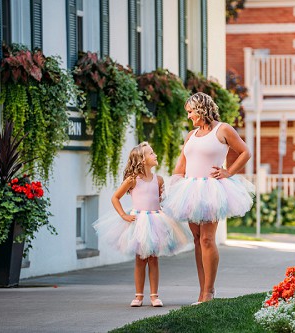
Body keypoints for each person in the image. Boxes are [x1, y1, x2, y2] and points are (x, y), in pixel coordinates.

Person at [162, 92, 254, 304]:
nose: (189, 116)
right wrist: (170, 188)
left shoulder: (223, 130)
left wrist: (228, 172)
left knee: (206, 239)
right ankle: (202, 290)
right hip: (190, 190)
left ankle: (209, 292)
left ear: (201, 109)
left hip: (212, 191)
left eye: (190, 111)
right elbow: (181, 165)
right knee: (196, 240)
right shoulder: (191, 135)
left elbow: (245, 152)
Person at [93, 142, 192, 307]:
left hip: (156, 220)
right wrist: (123, 215)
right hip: (139, 222)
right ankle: (138, 296)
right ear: (142, 160)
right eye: (151, 153)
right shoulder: (132, 180)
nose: (155, 155)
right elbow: (115, 197)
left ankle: (154, 296)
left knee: (154, 259)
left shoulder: (158, 180)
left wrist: (166, 198)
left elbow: (161, 199)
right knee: (140, 259)